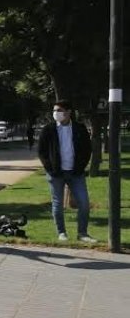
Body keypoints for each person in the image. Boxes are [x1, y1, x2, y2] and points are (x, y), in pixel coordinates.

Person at [37, 100, 95, 243]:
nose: (56, 113)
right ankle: (61, 233)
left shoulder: (79, 128)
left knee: (84, 203)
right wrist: (50, 169)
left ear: (69, 112)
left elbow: (87, 150)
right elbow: (42, 152)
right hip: (56, 174)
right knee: (57, 204)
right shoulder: (48, 129)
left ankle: (82, 233)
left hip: (76, 173)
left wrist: (80, 167)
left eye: (59, 110)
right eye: (55, 110)